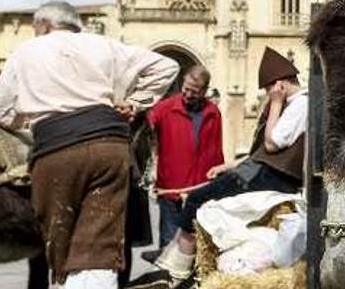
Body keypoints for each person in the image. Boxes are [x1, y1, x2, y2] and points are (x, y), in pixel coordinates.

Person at [0, 1, 178, 289]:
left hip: (58, 148)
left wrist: (10, 119)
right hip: (110, 147)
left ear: (43, 25)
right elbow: (167, 66)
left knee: (60, 240)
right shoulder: (105, 45)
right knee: (100, 243)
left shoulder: (28, 51)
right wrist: (135, 103)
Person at [131, 47, 306, 288]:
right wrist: (228, 166)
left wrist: (275, 104)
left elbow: (272, 143)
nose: (268, 95)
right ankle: (172, 258)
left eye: (269, 89)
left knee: (196, 201)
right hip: (254, 170)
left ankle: (176, 267)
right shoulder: (293, 104)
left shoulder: (298, 105)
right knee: (197, 200)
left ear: (280, 85)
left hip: (266, 176)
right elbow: (261, 152)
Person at [141, 65, 223, 264]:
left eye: (194, 92)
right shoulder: (165, 108)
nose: (187, 94)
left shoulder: (213, 113)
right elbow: (147, 124)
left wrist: (218, 184)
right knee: (169, 249)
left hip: (199, 192)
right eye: (185, 89)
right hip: (171, 192)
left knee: (196, 250)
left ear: (204, 92)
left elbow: (216, 151)